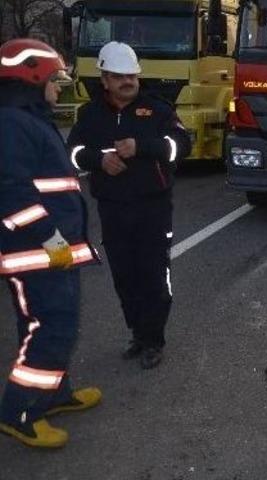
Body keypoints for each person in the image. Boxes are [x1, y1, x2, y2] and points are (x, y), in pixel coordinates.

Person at [0, 38, 102, 448]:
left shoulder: (27, 119)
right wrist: (51, 237)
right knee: (51, 328)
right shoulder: (12, 122)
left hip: (52, 252)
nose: (58, 87)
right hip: (38, 252)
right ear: (32, 78)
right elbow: (10, 192)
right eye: (54, 80)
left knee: (52, 325)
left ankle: (55, 394)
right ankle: (19, 413)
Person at [67, 41, 190, 370]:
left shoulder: (158, 110)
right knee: (124, 276)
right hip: (113, 208)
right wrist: (98, 160)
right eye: (119, 76)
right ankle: (137, 333)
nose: (128, 82)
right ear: (104, 79)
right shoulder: (89, 115)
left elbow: (181, 146)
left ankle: (154, 340)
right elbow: (72, 153)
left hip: (153, 208)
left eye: (132, 76)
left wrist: (142, 146)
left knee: (154, 275)